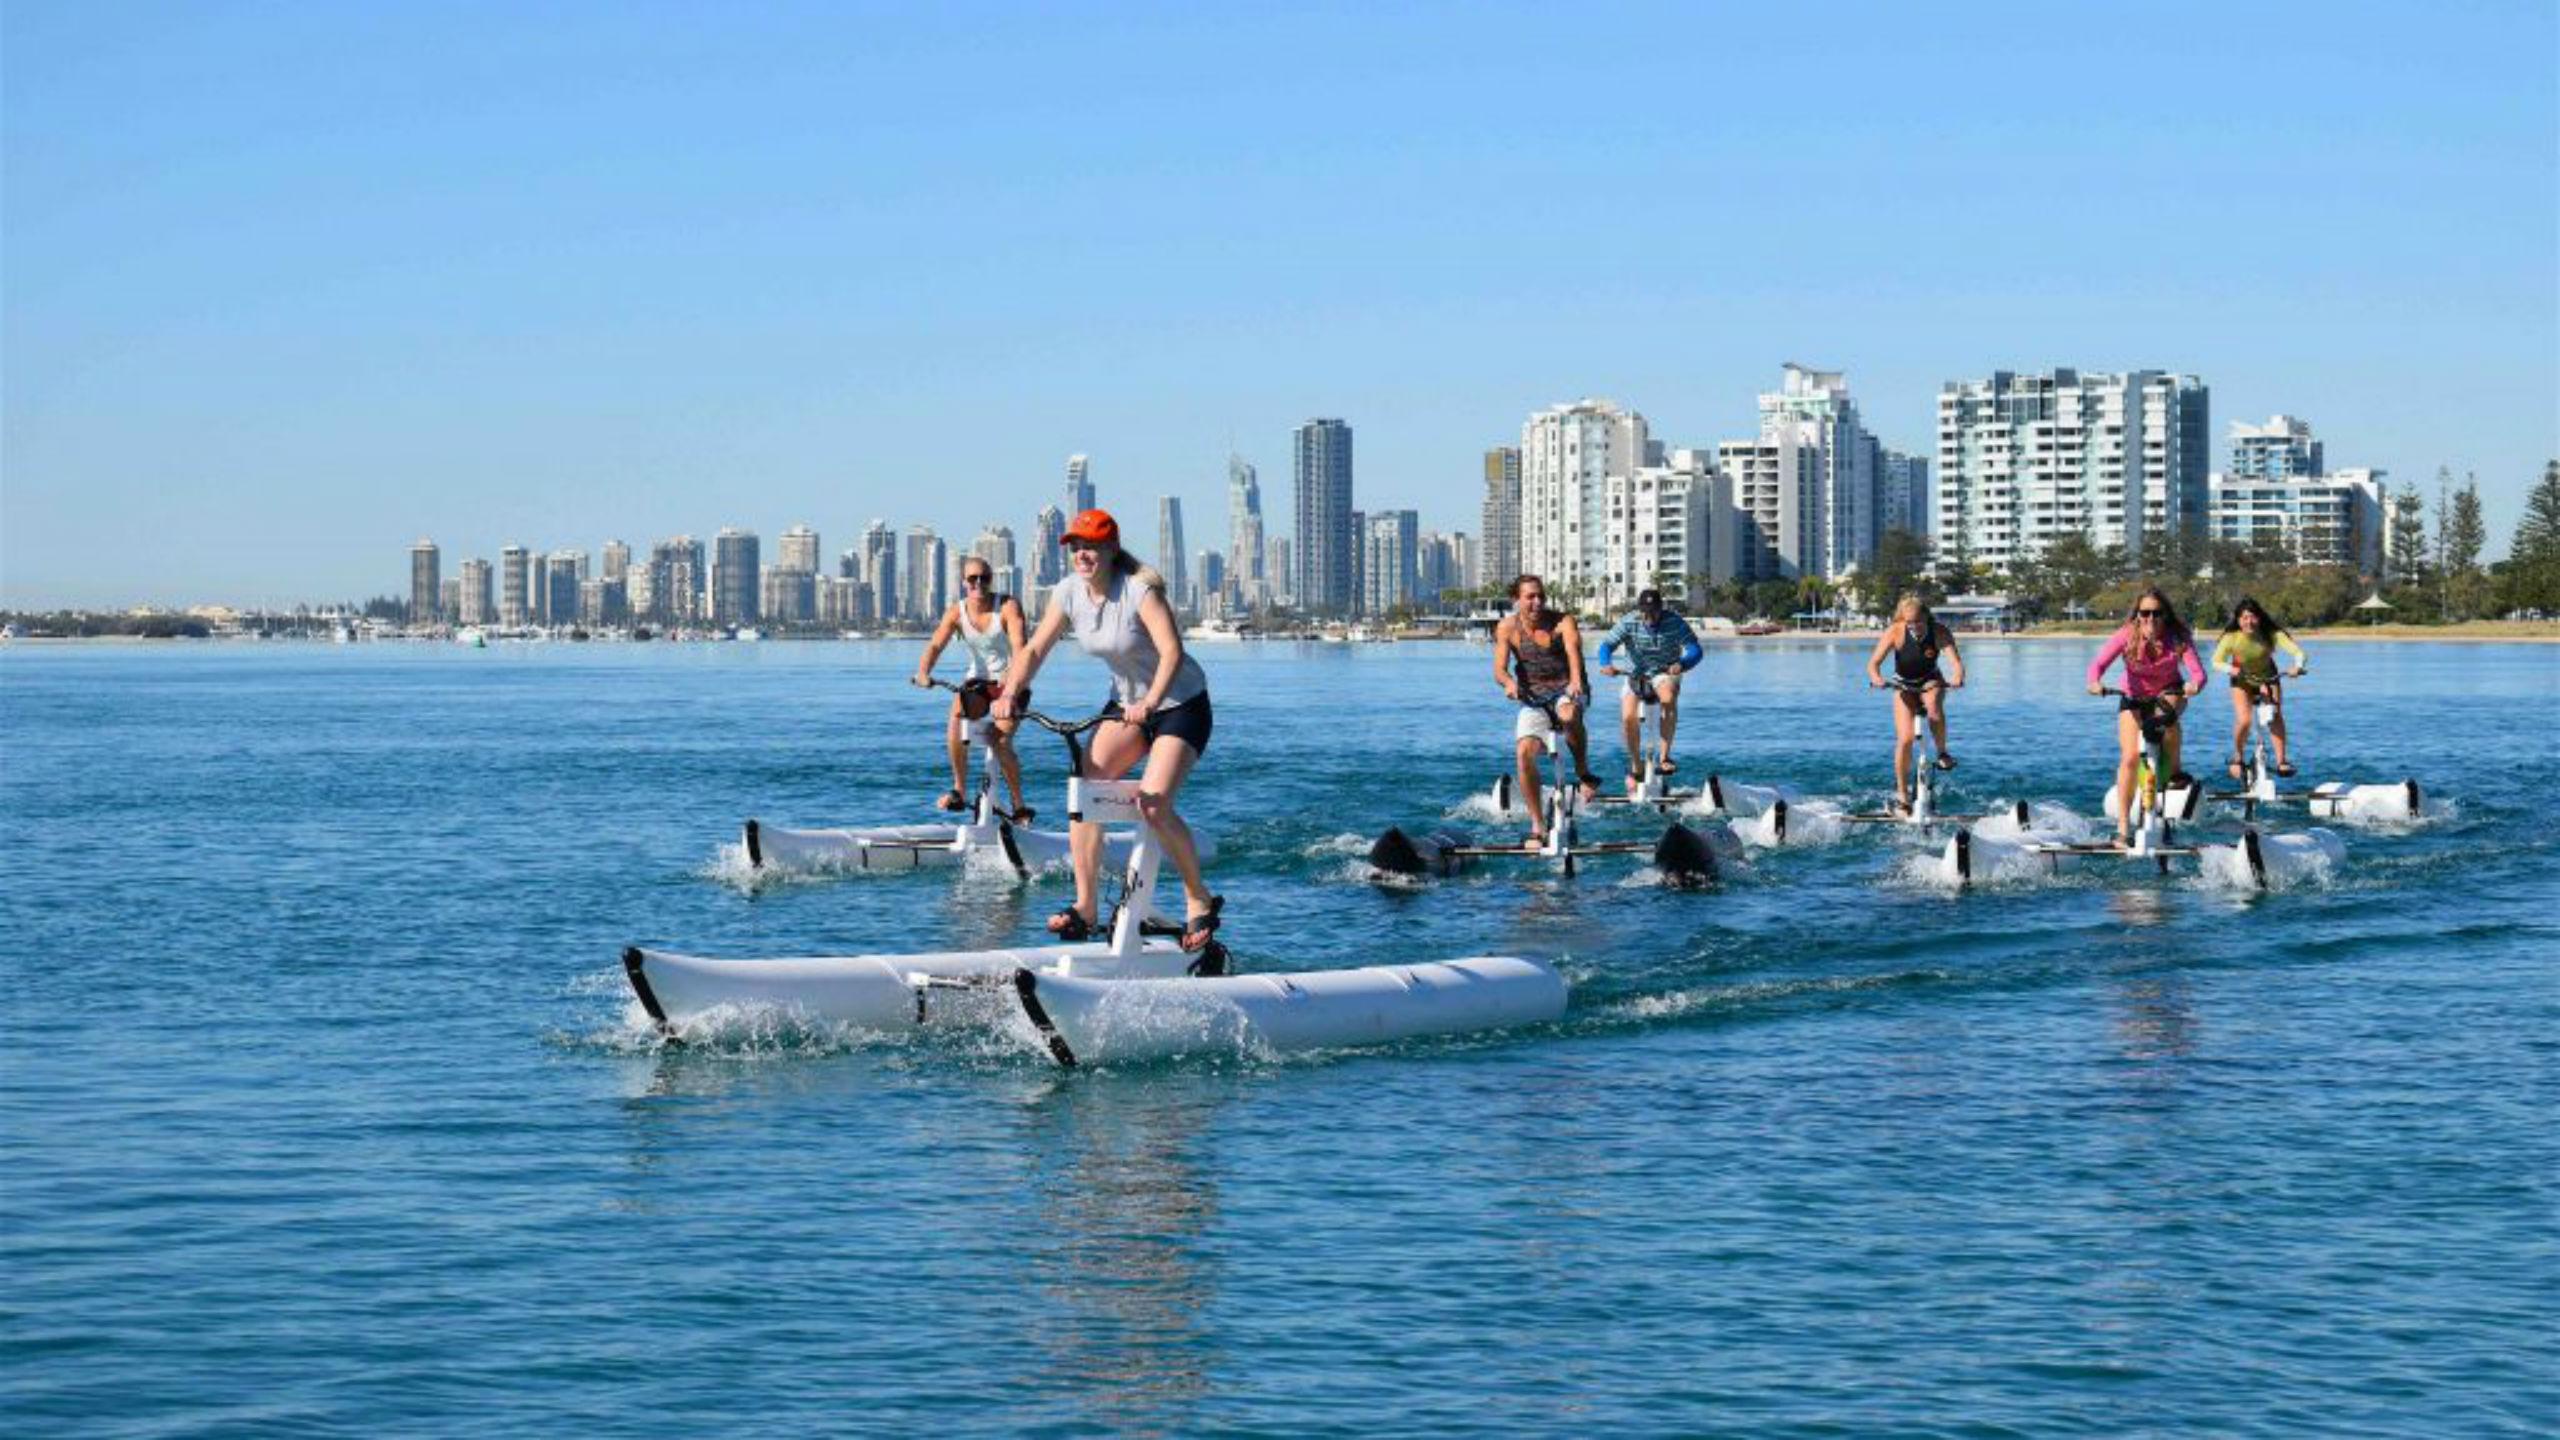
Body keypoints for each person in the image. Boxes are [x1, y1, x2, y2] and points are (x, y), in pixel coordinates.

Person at [993, 509, 1221, 950]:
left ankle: (1198, 899)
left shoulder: (1139, 591)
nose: (1083, 554)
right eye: (1076, 547)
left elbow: (1172, 652)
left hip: (1180, 704)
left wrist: (1151, 702)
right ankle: (1086, 907)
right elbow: (1036, 648)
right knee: (1085, 791)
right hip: (1126, 705)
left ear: (1112, 550)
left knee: (1153, 805)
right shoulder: (1068, 593)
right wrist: (1012, 691)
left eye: (1092, 546)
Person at [910, 556, 1033, 821]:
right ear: (964, 582)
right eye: (972, 578)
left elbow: (1020, 647)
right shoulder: (957, 611)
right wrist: (923, 672)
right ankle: (959, 790)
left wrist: (1010, 685)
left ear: (991, 580)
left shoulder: (1008, 606)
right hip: (979, 683)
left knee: (999, 741)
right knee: (956, 713)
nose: (979, 583)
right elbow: (935, 645)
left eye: (984, 578)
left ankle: (1018, 805)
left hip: (1012, 683)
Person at [2085, 586, 2205, 846]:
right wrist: (2094, 682)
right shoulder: (2126, 635)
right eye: (2145, 613)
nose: (2151, 618)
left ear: (2165, 615)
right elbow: (2098, 665)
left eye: (2156, 613)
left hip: (2169, 692)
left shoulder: (2178, 638)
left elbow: (2198, 672)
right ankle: (2123, 828)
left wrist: (2194, 684)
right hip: (2133, 698)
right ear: (2137, 615)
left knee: (2166, 716)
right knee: (2129, 757)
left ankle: (2174, 772)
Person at [1491, 574, 1602, 849]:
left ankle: (1583, 772)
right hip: (1533, 698)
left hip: (1569, 690)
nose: (1537, 602)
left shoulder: (1563, 621)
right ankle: (1538, 826)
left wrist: (1576, 681)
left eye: (1540, 595)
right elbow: (1499, 669)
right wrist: (1508, 684)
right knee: (1523, 752)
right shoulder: (1507, 628)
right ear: (1517, 600)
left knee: (1567, 715)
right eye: (1530, 597)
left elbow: (1574, 652)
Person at [1862, 595, 1967, 814]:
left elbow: (1956, 663)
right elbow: (1873, 663)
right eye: (1910, 623)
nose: (1915, 627)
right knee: (1906, 739)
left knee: (1935, 712)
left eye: (1918, 622)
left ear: (1926, 617)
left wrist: (1957, 677)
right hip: (1903, 685)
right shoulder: (1895, 631)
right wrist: (1876, 678)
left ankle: (1942, 753)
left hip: (1931, 680)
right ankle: (1902, 794)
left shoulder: (1939, 632)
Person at [1595, 588, 1704, 791]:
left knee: (1668, 697)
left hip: (1664, 672)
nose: (1649, 616)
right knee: (1628, 717)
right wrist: (1605, 663)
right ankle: (1636, 765)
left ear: (1661, 609)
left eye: (1654, 611)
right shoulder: (1629, 621)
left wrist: (1683, 663)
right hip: (1634, 675)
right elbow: (1606, 645)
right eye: (1646, 612)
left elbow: (1696, 650)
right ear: (1640, 610)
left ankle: (1664, 758)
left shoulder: (1675, 621)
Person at [2210, 596, 2308, 780]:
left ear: (2259, 618)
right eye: (2244, 618)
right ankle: (2237, 757)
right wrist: (2232, 669)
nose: (2249, 622)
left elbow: (2298, 652)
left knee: (2275, 714)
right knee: (2245, 720)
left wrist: (2298, 666)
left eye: (2253, 617)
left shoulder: (2272, 634)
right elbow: (2216, 662)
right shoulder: (2231, 638)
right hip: (2242, 679)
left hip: (2268, 678)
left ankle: (2281, 761)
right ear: (2238, 620)